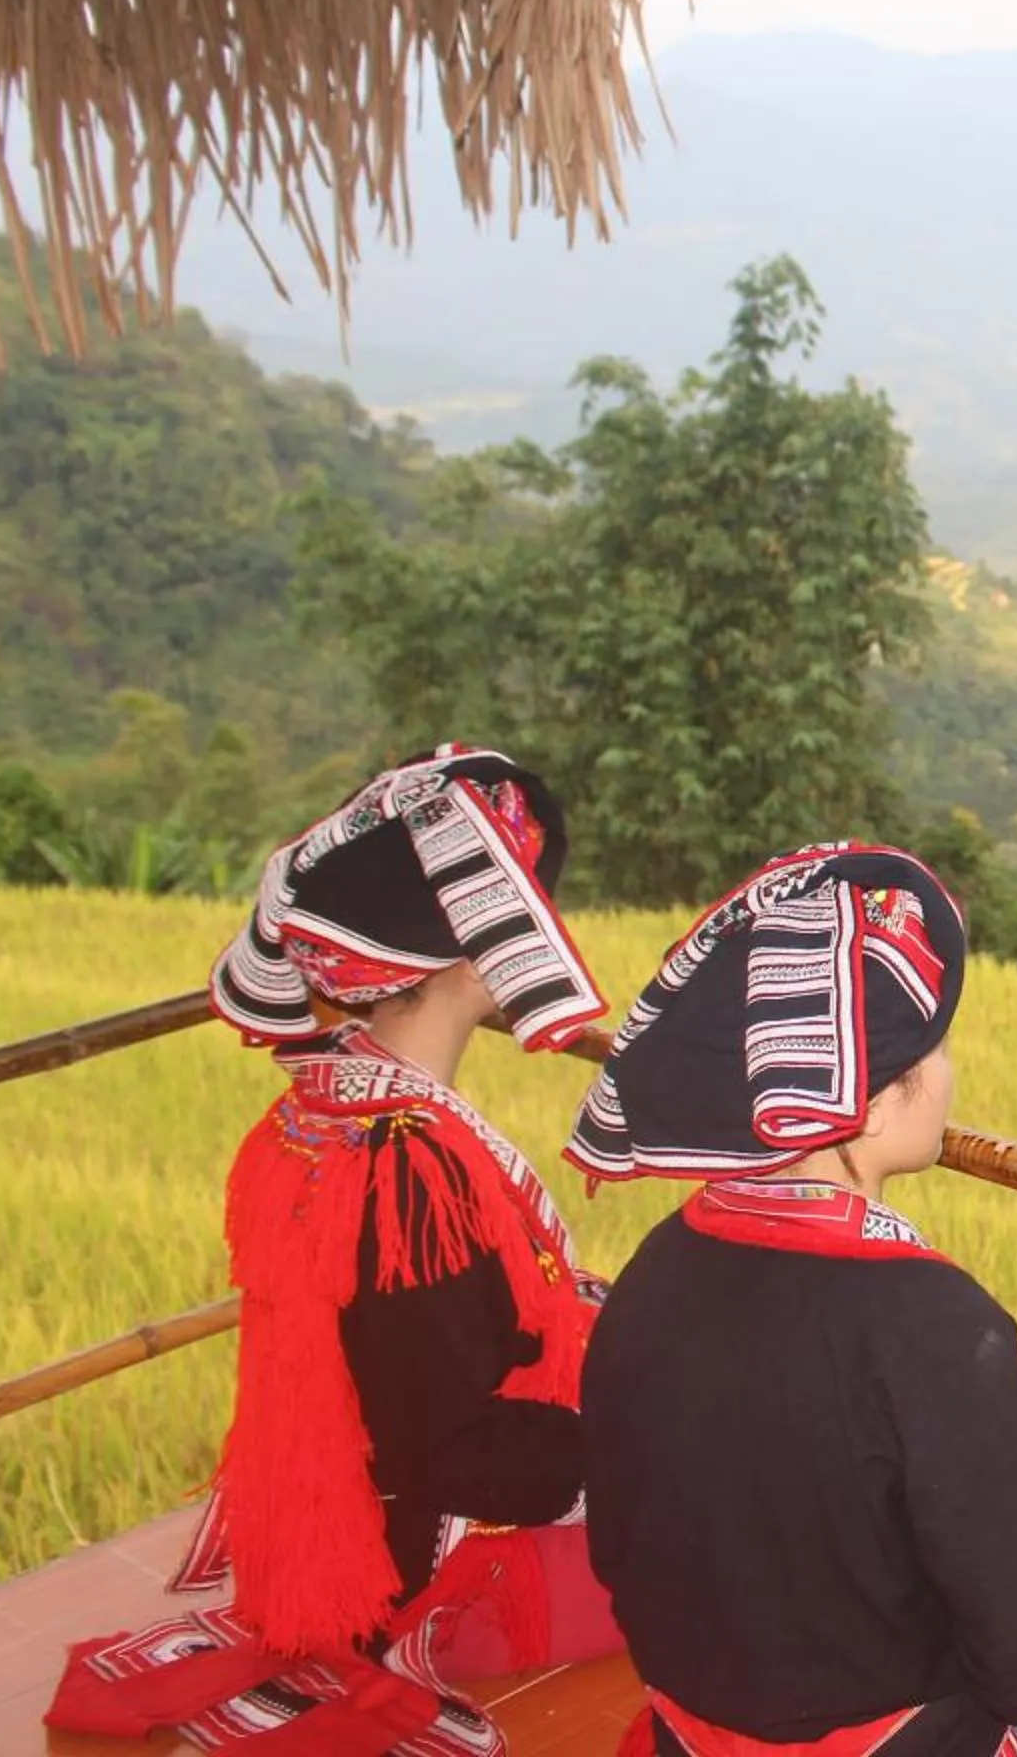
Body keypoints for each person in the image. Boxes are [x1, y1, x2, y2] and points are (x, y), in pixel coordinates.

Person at [567, 840, 1017, 1757]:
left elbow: (621, 1547)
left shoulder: (662, 1263)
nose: (946, 1072)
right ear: (872, 1094)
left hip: (695, 1735)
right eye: (933, 1047)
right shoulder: (930, 1323)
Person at [49, 744, 625, 1756]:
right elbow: (450, 1447)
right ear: (467, 950)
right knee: (753, 1524)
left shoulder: (324, 1109)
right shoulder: (412, 1166)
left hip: (346, 1532)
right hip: (432, 1576)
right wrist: (641, 1453)